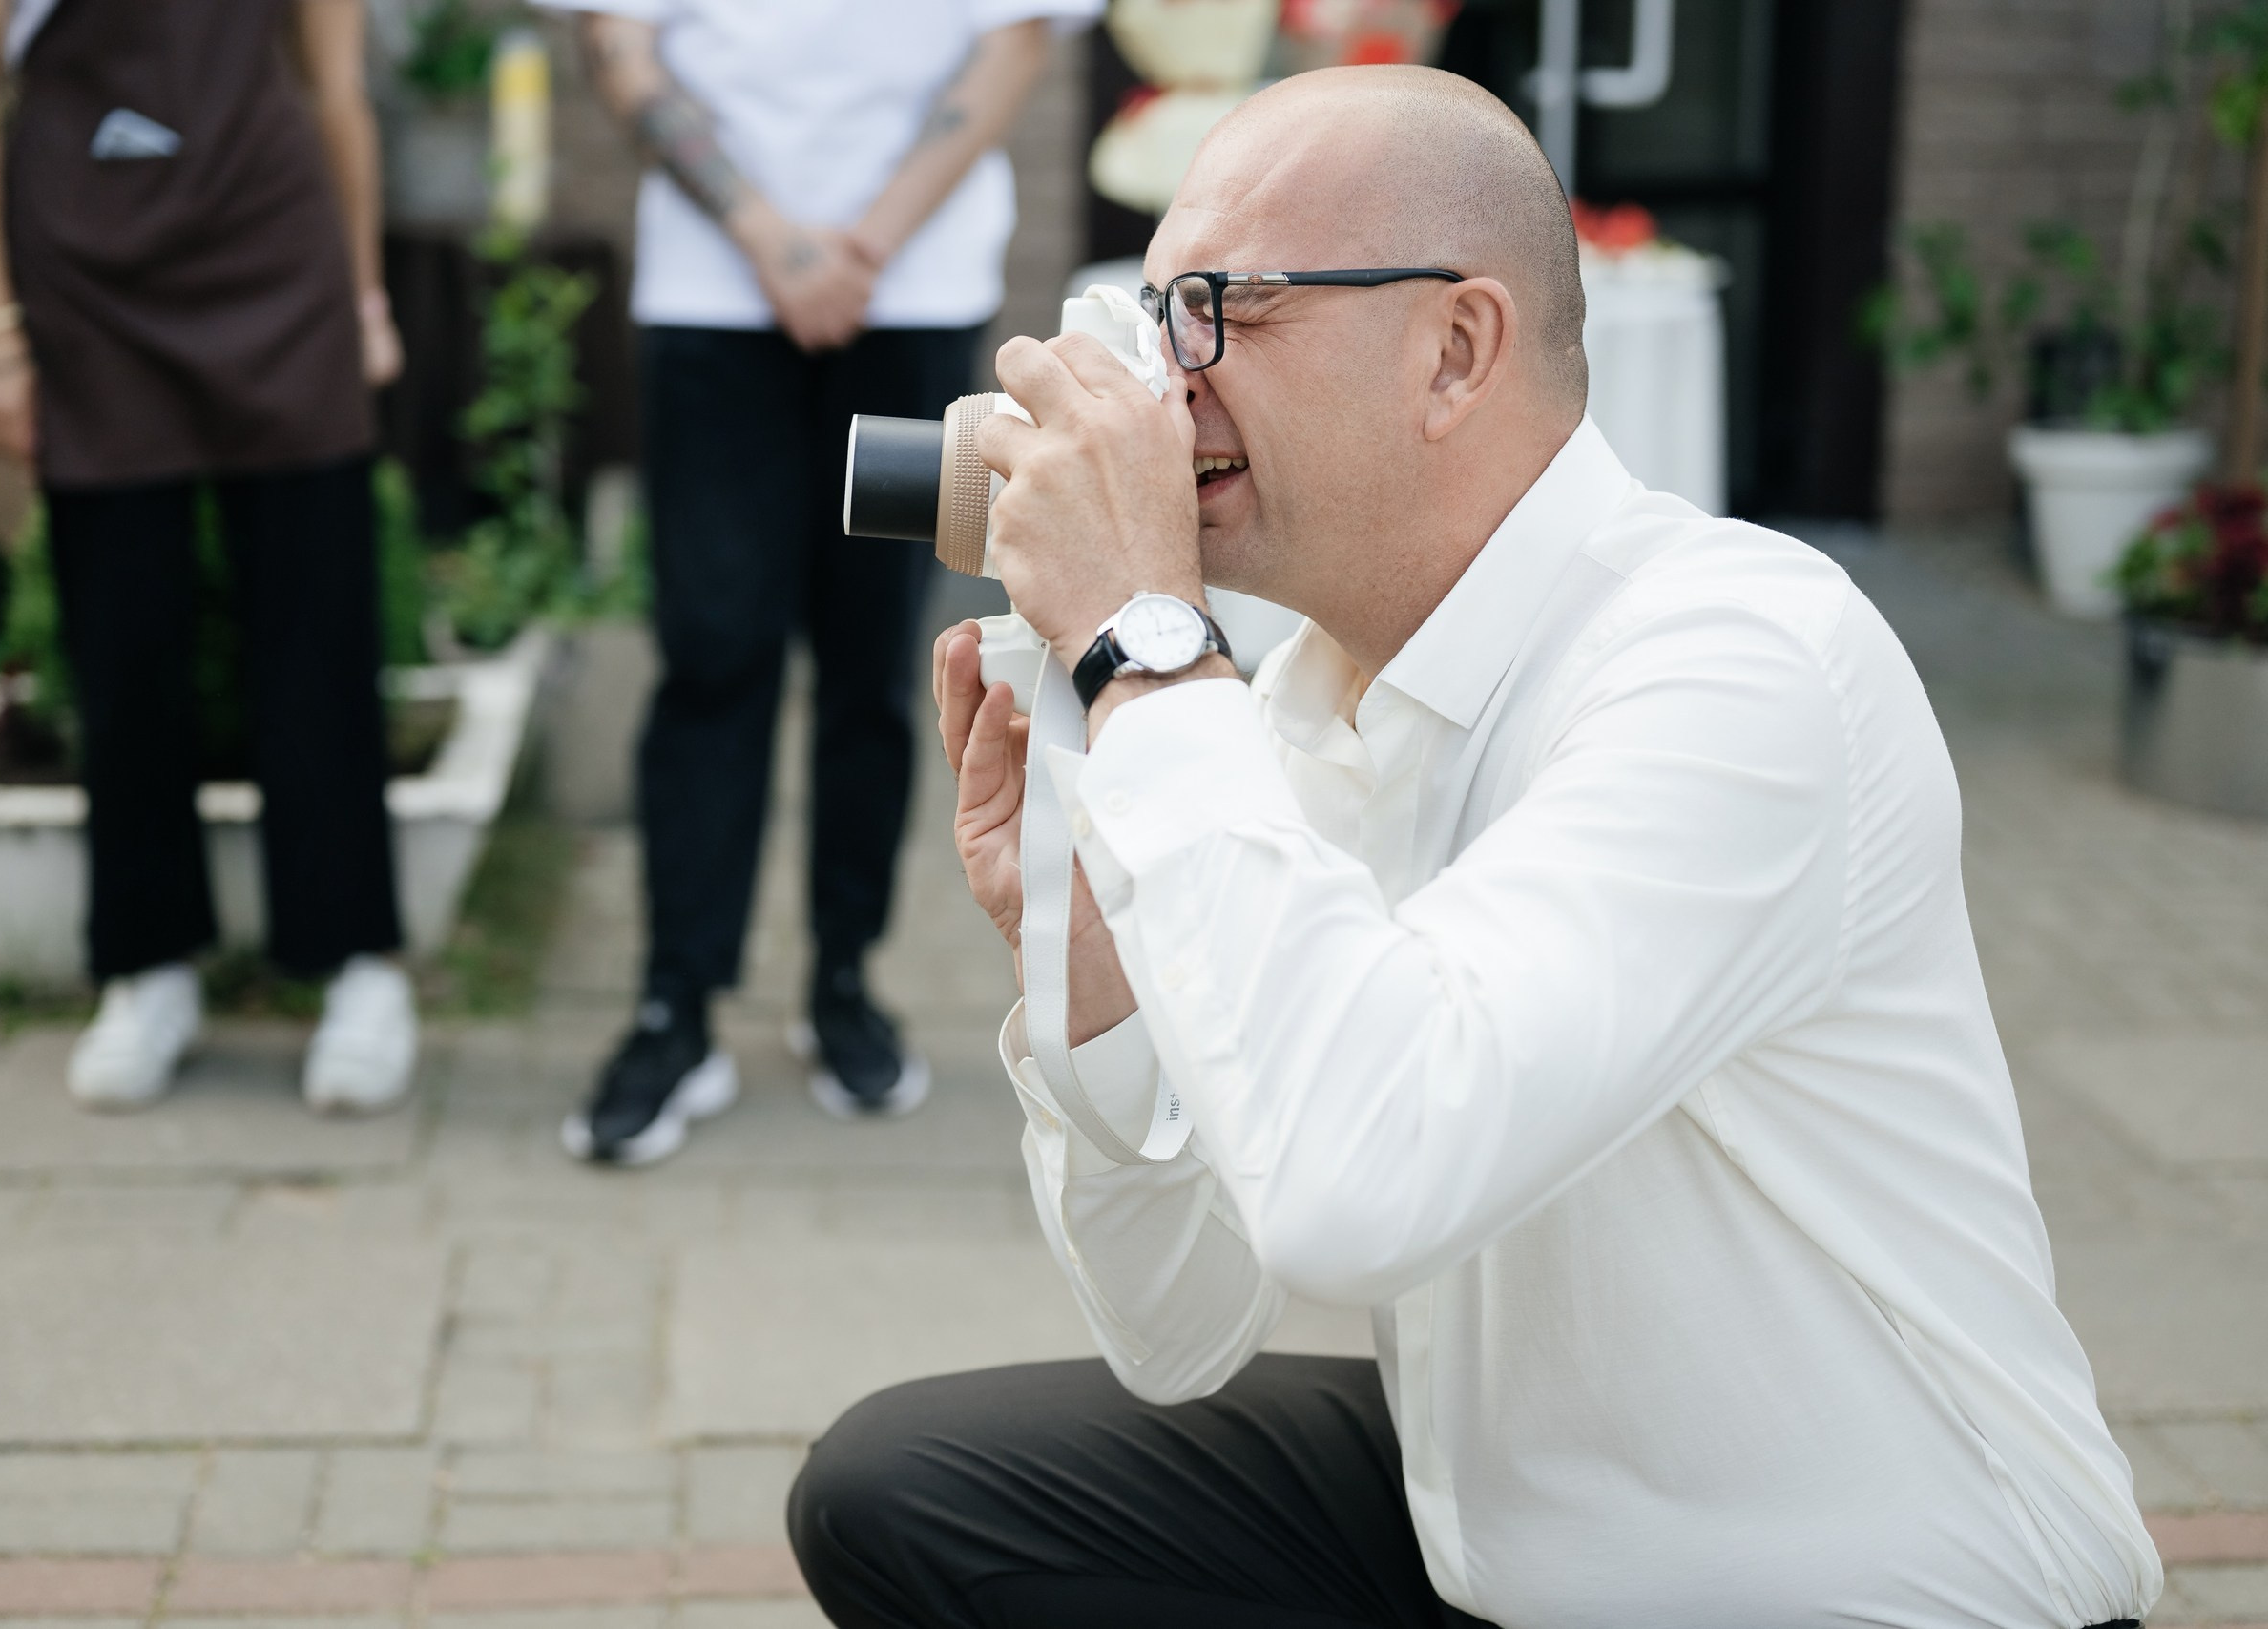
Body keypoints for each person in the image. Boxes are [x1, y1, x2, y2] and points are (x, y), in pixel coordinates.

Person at [784, 67, 2164, 1629]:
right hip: (1514, 1543)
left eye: (1219, 310)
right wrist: (1096, 976)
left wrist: (1148, 647)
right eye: (1152, 313)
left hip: (1863, 1593)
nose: (1160, 391)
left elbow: (1358, 1187)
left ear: (1456, 348)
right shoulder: (1294, 705)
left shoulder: (1739, 660)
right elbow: (1176, 1333)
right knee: (912, 1491)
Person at [551, 0, 1099, 1167]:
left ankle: (843, 981)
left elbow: (1013, 43)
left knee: (871, 667)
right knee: (711, 659)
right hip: (711, 297)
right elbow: (618, 45)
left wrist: (858, 247)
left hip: (908, 295)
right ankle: (674, 1005)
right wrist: (771, 241)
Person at [0, 0, 418, 1115]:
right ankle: (147, 971)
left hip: (274, 248)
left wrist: (365, 291)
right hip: (84, 263)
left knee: (317, 627)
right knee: (121, 630)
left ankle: (356, 967)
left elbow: (335, 84)